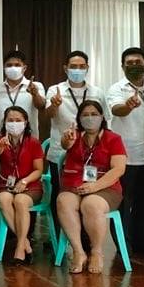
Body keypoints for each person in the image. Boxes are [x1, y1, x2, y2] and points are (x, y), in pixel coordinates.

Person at [56, 100, 127, 274]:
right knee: (63, 202)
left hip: (105, 187)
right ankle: (78, 251)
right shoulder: (74, 136)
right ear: (79, 118)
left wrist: (95, 186)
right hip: (75, 184)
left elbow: (119, 168)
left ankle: (96, 251)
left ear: (102, 117)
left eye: (94, 114)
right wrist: (66, 140)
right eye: (85, 115)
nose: (90, 118)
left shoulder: (113, 139)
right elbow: (65, 145)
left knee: (91, 205)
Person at [107, 47, 144, 255]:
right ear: (123, 67)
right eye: (129, 63)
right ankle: (123, 244)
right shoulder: (116, 89)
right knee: (123, 203)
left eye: (138, 62)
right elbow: (116, 110)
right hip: (126, 157)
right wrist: (128, 106)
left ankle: (141, 242)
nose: (134, 66)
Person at [44, 51, 106, 208]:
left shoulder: (97, 92)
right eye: (73, 66)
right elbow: (48, 115)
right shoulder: (55, 90)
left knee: (87, 192)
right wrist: (55, 105)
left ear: (87, 68)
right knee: (60, 194)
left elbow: (104, 119)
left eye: (82, 66)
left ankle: (84, 224)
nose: (77, 70)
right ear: (66, 68)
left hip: (90, 153)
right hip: (61, 151)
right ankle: (59, 224)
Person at [0, 106, 45, 265]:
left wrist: (25, 181)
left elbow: (39, 170)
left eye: (18, 120)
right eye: (10, 120)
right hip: (6, 185)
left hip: (30, 185)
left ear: (25, 122)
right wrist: (0, 147)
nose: (14, 123)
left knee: (20, 201)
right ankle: (25, 242)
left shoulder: (33, 142)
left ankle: (20, 247)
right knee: (4, 199)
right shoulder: (0, 140)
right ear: (5, 123)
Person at [0, 50, 47, 141]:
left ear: (24, 68)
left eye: (17, 65)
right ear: (4, 68)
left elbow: (41, 106)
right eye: (9, 65)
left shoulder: (35, 86)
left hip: (29, 140)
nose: (13, 68)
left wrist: (35, 94)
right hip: (2, 142)